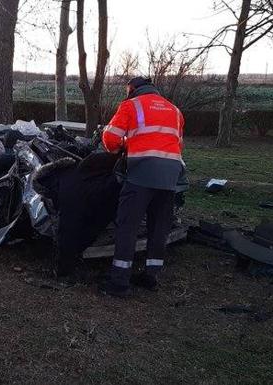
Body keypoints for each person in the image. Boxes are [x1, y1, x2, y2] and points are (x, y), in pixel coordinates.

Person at [98, 77, 185, 297]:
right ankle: (151, 276)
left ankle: (119, 282)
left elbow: (110, 138)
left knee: (128, 225)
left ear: (133, 89)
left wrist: (121, 147)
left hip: (142, 173)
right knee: (159, 226)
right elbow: (174, 142)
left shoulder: (131, 105)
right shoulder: (174, 110)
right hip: (171, 174)